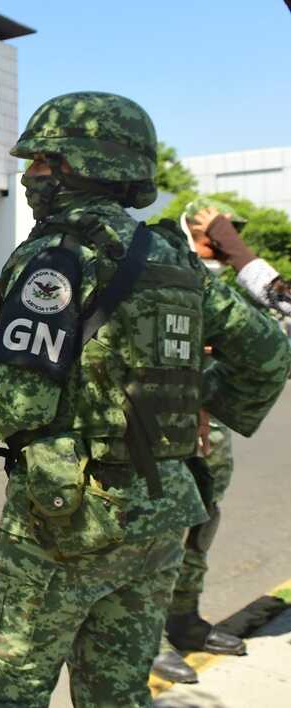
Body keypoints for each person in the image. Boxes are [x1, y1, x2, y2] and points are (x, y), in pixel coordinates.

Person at [0, 92, 290, 707]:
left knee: (11, 696)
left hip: (69, 524)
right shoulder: (172, 258)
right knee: (117, 695)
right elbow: (270, 354)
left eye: (39, 161)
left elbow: (18, 401)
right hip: (162, 514)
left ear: (75, 166)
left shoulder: (58, 258)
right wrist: (199, 402)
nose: (28, 175)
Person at [152, 197, 291, 682]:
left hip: (214, 425)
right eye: (227, 229)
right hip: (171, 420)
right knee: (164, 528)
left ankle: (184, 620)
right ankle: (145, 637)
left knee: (204, 521)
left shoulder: (219, 279)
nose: (231, 237)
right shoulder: (166, 260)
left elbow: (268, 321)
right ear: (195, 226)